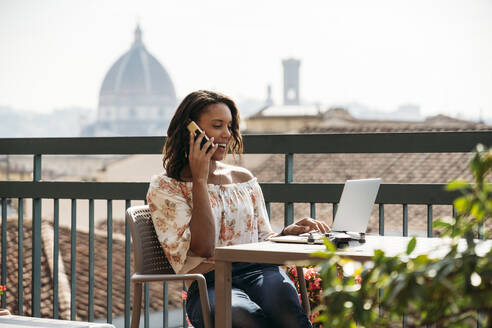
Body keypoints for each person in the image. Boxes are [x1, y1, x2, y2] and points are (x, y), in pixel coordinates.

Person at [147, 90, 330, 328]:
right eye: (217, 125)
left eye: (230, 126)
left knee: (289, 317)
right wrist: (200, 181)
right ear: (191, 131)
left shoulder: (243, 179)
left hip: (260, 271)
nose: (227, 134)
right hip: (209, 282)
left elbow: (263, 237)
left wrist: (287, 233)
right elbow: (203, 248)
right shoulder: (166, 187)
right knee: (244, 319)